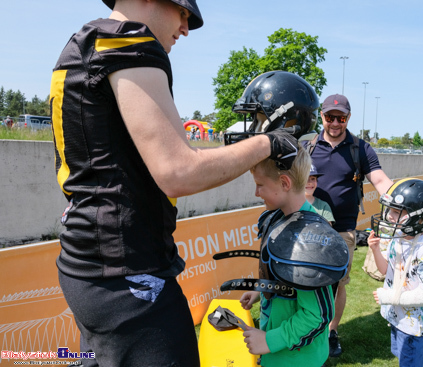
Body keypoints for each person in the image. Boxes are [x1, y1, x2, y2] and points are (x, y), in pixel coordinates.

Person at [49, 1, 299, 366]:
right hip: (127, 273)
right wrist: (270, 141)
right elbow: (177, 172)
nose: (185, 26)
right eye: (183, 12)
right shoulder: (129, 41)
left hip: (90, 266)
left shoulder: (86, 41)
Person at [303, 93, 393, 357]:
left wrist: (399, 198)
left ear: (348, 118)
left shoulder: (360, 148)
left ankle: (331, 331)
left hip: (343, 229)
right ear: (322, 116)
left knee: (338, 283)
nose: (334, 123)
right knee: (305, 281)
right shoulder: (306, 146)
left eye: (340, 118)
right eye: (330, 117)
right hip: (307, 226)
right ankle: (307, 329)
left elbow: (379, 179)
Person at [239, 147, 336, 367]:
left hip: (296, 359)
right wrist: (260, 290)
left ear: (284, 183)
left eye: (260, 185)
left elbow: (317, 316)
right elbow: (283, 277)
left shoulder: (309, 237)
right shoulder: (276, 218)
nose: (256, 193)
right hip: (277, 354)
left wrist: (270, 340)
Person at [368, 178, 423, 367]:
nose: (389, 216)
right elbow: (386, 270)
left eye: (396, 211)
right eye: (389, 210)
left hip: (412, 324)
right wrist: (376, 250)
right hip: (398, 317)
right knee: (402, 358)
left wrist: (391, 296)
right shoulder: (399, 239)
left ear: (420, 218)